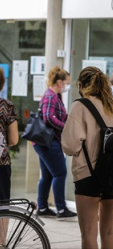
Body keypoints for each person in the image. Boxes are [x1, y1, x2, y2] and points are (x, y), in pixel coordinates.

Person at [61, 66, 113, 249]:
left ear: (81, 85)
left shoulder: (80, 106)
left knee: (88, 234)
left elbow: (70, 145)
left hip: (88, 175)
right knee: (109, 231)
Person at [34, 66, 77, 220]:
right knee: (60, 173)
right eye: (66, 83)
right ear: (59, 82)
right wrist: (65, 127)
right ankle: (61, 208)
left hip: (45, 142)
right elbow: (48, 118)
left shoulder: (54, 95)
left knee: (47, 175)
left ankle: (43, 207)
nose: (67, 86)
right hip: (48, 142)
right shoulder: (51, 96)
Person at [0, 68, 19, 247]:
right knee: (2, 204)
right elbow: (13, 139)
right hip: (1, 163)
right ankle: (1, 243)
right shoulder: (6, 106)